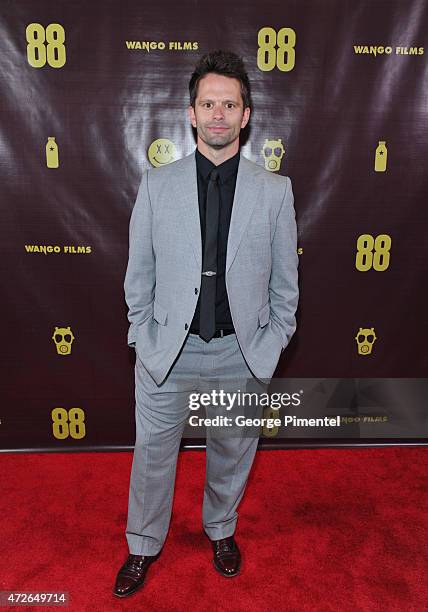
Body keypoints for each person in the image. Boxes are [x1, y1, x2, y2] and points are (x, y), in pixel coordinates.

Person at [113, 49, 299, 598]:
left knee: (233, 450)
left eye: (230, 104)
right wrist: (143, 337)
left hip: (239, 353)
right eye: (208, 103)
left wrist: (268, 344)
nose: (218, 114)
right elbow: (138, 275)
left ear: (246, 116)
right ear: (191, 113)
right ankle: (143, 546)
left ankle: (220, 529)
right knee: (151, 457)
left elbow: (286, 287)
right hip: (168, 349)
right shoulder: (156, 185)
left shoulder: (275, 191)